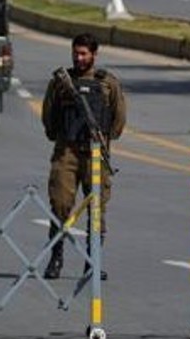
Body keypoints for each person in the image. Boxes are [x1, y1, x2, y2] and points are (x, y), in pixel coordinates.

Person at [40, 33, 126, 280]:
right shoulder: (61, 81)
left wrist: (104, 139)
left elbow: (118, 121)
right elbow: (49, 115)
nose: (79, 58)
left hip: (96, 154)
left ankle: (93, 263)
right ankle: (56, 259)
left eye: (84, 54)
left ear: (94, 55)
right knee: (60, 205)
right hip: (66, 152)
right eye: (75, 53)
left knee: (96, 208)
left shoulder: (108, 83)